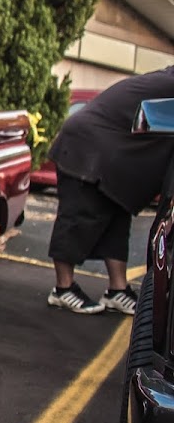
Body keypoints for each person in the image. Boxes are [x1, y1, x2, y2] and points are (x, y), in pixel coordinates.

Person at [46, 65, 174, 314]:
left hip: (111, 155)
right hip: (85, 145)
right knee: (77, 217)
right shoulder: (170, 85)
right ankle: (63, 289)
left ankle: (117, 290)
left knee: (117, 218)